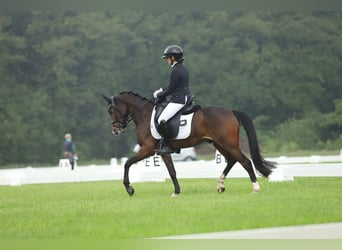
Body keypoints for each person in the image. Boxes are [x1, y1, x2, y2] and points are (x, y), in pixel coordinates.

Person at [153, 45, 191, 155]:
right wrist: (163, 90)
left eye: (167, 58)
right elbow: (174, 86)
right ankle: (176, 144)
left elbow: (171, 89)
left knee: (161, 120)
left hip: (178, 100)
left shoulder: (175, 70)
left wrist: (159, 94)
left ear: (173, 58)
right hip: (184, 97)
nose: (167, 60)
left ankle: (167, 145)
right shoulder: (183, 68)